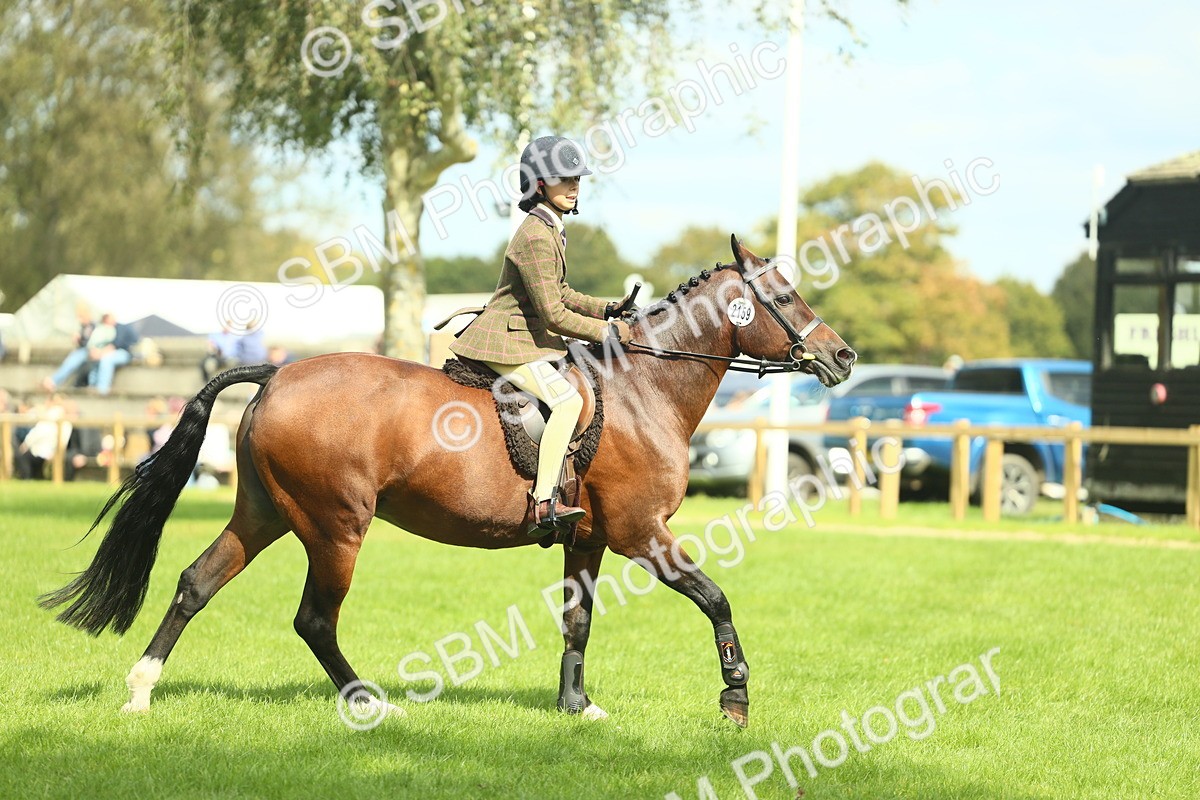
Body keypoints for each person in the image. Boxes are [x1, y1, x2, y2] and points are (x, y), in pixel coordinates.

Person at [448, 135, 637, 539]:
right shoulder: (535, 234)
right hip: (507, 340)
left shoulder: (551, 227)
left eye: (577, 179)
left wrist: (606, 308)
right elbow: (553, 313)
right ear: (538, 183)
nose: (573, 186)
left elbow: (561, 292)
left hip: (525, 338)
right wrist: (606, 332)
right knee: (567, 402)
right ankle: (544, 501)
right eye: (563, 179)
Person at [41, 303, 97, 391]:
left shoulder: (92, 326)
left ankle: (53, 381)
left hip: (90, 351)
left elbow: (89, 342)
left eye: (81, 317)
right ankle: (54, 381)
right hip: (85, 352)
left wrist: (80, 338)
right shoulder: (84, 327)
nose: (79, 319)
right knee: (73, 359)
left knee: (75, 358)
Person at [86, 317, 140, 395]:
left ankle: (102, 391)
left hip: (125, 353)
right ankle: (92, 387)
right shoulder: (108, 330)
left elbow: (115, 345)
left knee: (106, 360)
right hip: (110, 352)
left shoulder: (120, 328)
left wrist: (99, 354)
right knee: (96, 361)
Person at [201, 320, 267, 381]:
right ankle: (207, 382)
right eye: (225, 325)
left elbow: (241, 347)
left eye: (229, 326)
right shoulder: (215, 335)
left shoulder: (235, 337)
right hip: (219, 357)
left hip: (232, 358)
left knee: (232, 364)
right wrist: (214, 349)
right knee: (208, 365)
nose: (227, 327)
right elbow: (211, 347)